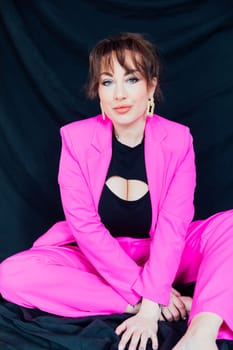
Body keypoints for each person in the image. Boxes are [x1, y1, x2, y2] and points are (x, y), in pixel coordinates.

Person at [0, 32, 232, 350]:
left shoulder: (178, 140)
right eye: (108, 82)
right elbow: (86, 229)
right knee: (10, 274)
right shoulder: (76, 140)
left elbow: (172, 227)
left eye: (131, 79)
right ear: (98, 90)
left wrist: (154, 296)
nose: (119, 94)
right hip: (96, 257)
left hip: (163, 252)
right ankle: (136, 304)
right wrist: (148, 303)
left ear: (151, 85)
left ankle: (201, 332)